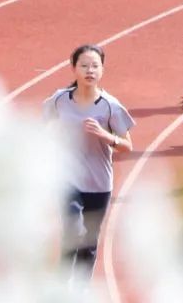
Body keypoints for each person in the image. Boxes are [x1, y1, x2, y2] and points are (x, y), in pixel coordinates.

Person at [43, 44, 134, 281]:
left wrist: (105, 136)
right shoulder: (59, 100)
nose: (89, 70)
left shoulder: (110, 106)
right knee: (72, 230)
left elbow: (127, 146)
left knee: (89, 242)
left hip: (98, 182)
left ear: (102, 69)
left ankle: (81, 289)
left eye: (95, 65)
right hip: (68, 178)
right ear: (73, 68)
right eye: (84, 65)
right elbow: (43, 127)